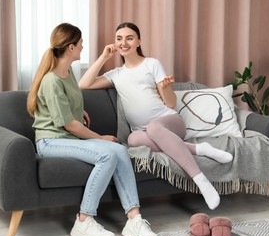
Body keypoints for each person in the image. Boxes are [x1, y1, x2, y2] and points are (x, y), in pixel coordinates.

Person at [79, 22, 233, 210]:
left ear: (138, 41)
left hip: (170, 123)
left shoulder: (152, 64)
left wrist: (166, 87)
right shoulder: (116, 74)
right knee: (133, 139)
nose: (123, 42)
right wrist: (104, 57)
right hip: (142, 132)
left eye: (129, 38)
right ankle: (201, 149)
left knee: (154, 127)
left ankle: (201, 181)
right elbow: (83, 84)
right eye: (119, 38)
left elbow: (170, 104)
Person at [26, 23, 158, 236]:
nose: (82, 47)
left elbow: (65, 107)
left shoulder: (66, 73)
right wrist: (99, 137)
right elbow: (69, 125)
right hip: (51, 141)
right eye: (80, 43)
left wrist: (78, 110)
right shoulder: (51, 79)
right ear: (70, 47)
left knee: (119, 150)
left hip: (67, 137)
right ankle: (84, 221)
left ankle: (134, 220)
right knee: (107, 153)